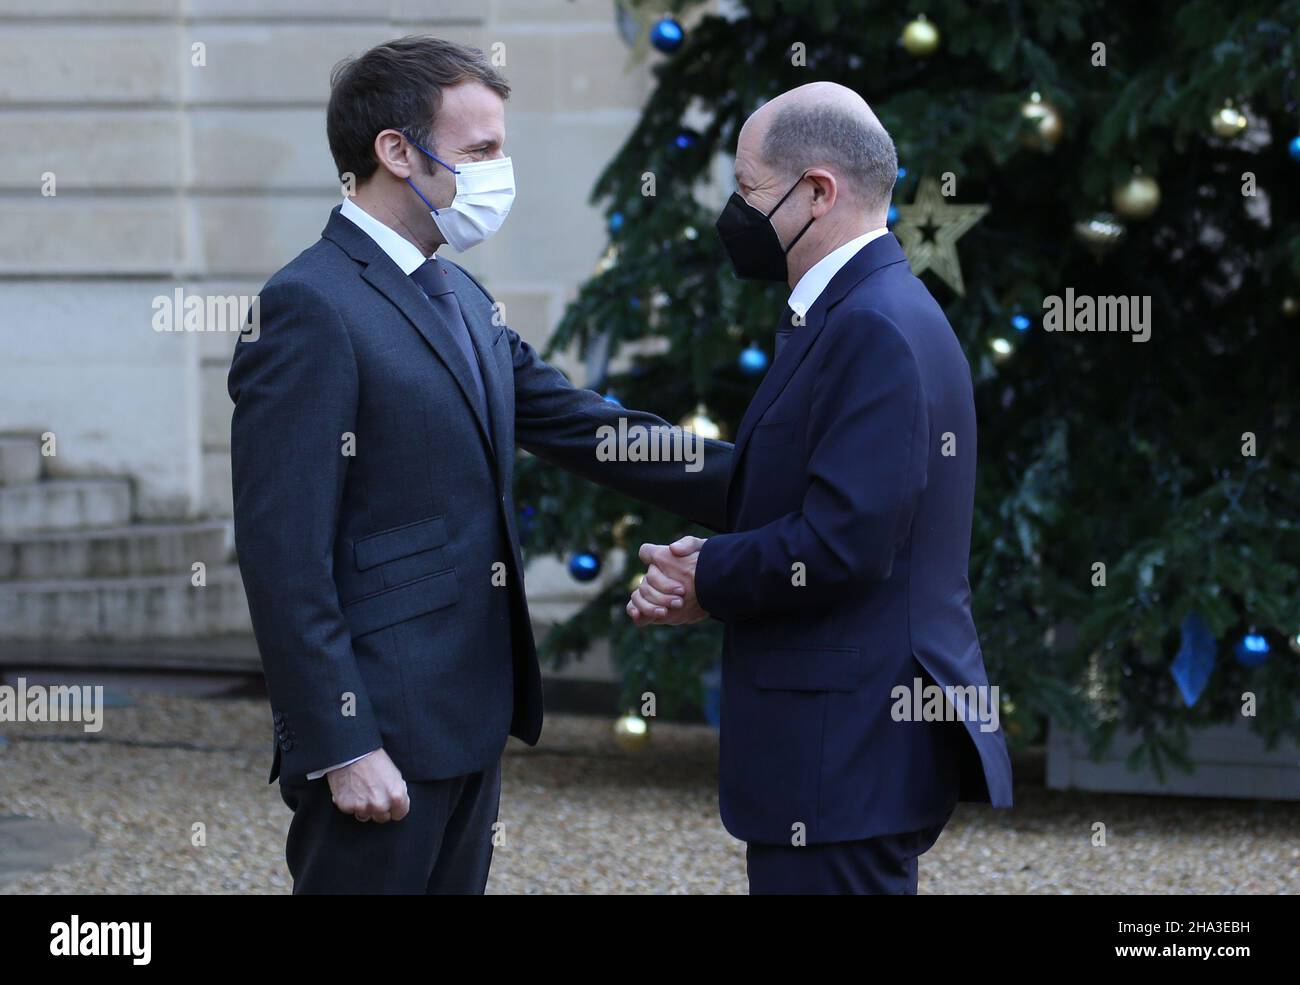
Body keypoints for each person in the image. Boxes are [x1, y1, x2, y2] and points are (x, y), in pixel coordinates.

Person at [229, 35, 731, 894]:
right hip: (380, 730)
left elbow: (586, 427)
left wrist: (782, 477)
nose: (501, 170)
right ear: (395, 151)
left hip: (469, 716)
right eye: (481, 151)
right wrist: (343, 740)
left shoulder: (458, 292)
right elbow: (283, 556)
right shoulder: (308, 304)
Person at [627, 81, 1012, 895]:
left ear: (817, 192)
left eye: (747, 190)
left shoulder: (870, 322)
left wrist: (709, 576)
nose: (734, 214)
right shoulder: (865, 307)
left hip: (845, 751)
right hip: (848, 753)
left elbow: (846, 539)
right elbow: (790, 483)